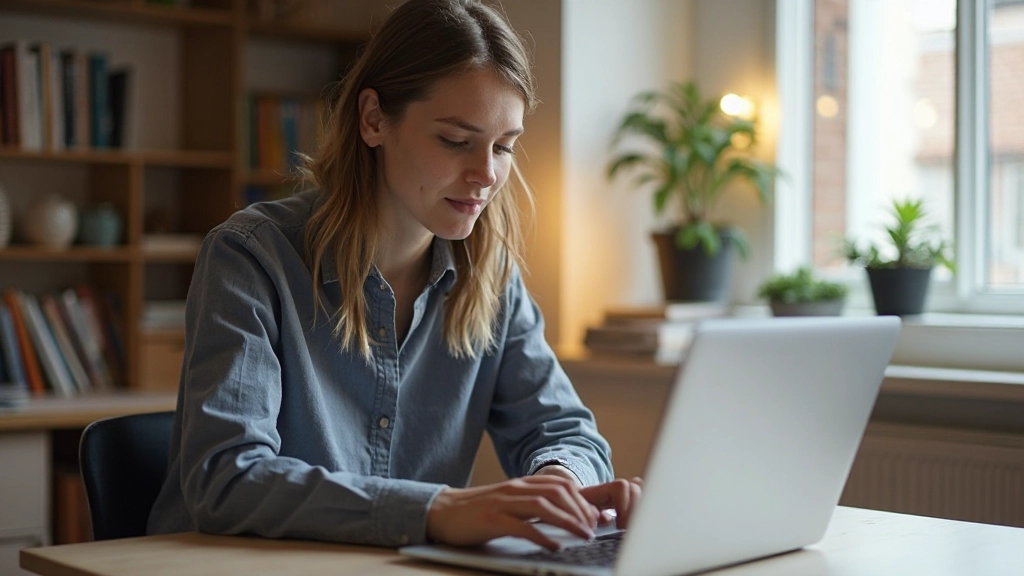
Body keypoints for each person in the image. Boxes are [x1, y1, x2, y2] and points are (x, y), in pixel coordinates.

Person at [147, 0, 642, 551]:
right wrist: (436, 508)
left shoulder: (490, 277)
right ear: (374, 119)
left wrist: (561, 480)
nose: (485, 175)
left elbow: (568, 434)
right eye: (456, 141)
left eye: (504, 147)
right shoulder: (251, 257)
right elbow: (227, 480)